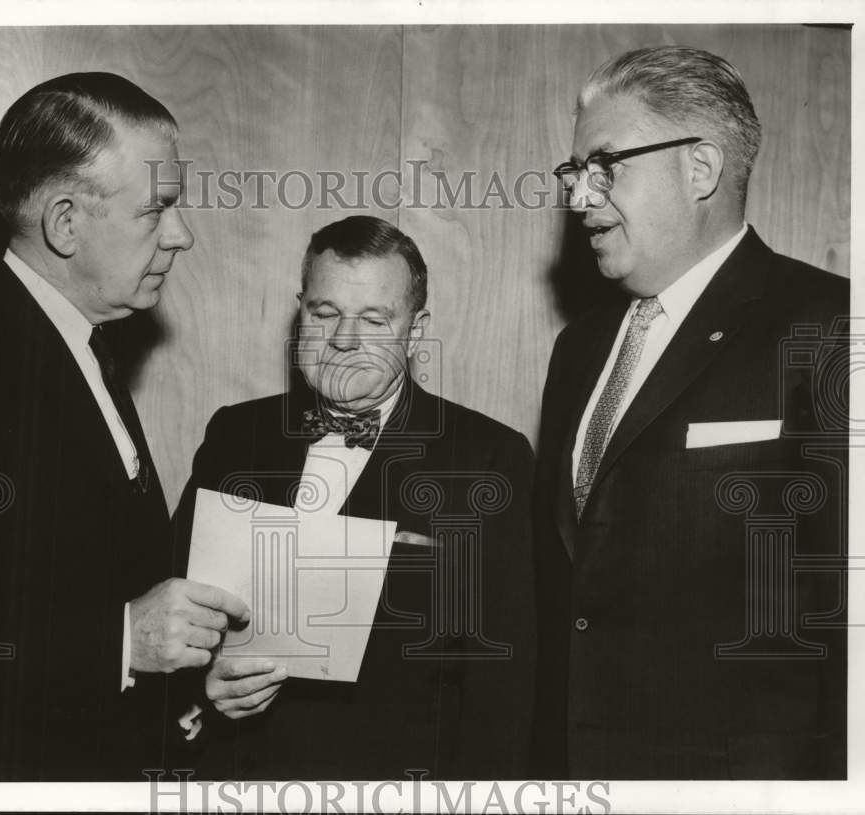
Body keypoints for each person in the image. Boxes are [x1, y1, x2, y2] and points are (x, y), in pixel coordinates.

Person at [0, 72, 249, 781]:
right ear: (66, 222)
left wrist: (186, 682)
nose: (182, 234)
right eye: (157, 208)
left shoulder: (80, 343)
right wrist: (124, 640)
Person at [533, 46, 848, 779]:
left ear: (700, 169)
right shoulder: (578, 349)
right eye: (575, 172)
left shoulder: (831, 327)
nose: (580, 197)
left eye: (606, 166)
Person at [172, 215, 536, 779]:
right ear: (301, 313)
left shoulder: (488, 457)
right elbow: (175, 609)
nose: (344, 340)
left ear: (416, 332)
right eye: (325, 313)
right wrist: (198, 689)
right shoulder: (234, 435)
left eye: (374, 319)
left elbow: (503, 688)